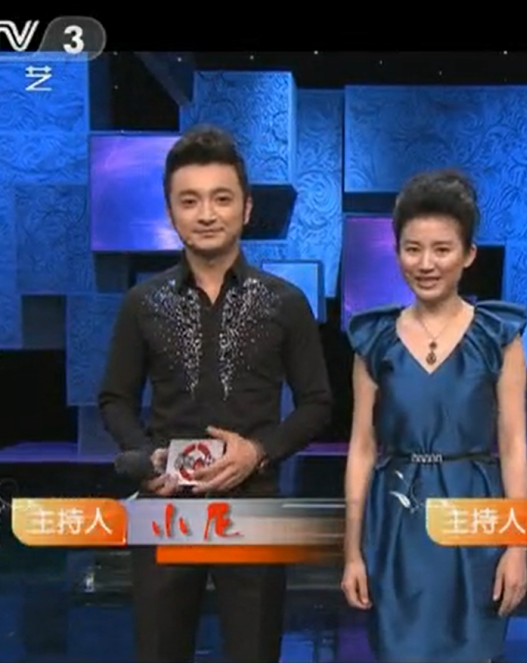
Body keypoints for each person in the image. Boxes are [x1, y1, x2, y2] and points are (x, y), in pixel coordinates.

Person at [97, 124, 333, 663]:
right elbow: (114, 398)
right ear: (171, 211)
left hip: (253, 507)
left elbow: (318, 403)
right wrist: (144, 457)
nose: (207, 213)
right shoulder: (142, 302)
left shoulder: (285, 302)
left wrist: (259, 452)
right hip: (165, 506)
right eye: (190, 200)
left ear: (246, 209)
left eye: (221, 199)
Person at [340, 169, 527, 662]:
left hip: (475, 512)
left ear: (468, 254)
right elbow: (362, 448)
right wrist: (352, 552)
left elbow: (513, 445)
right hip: (396, 517)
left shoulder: (498, 337)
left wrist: (517, 549)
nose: (426, 263)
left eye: (442, 249)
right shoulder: (374, 339)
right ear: (397, 252)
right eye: (413, 249)